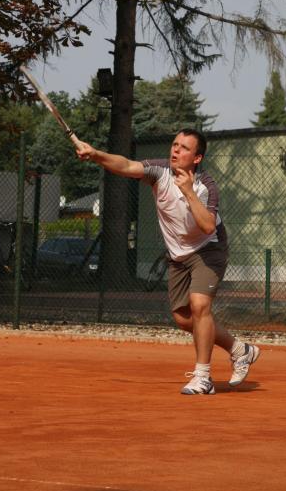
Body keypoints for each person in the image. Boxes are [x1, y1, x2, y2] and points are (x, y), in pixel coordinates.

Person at [76, 128, 260, 395]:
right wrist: (95, 155)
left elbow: (208, 226)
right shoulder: (159, 172)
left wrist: (188, 192)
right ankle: (240, 350)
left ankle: (203, 377)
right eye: (175, 144)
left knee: (200, 305)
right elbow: (126, 165)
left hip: (208, 250)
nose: (176, 150)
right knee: (183, 319)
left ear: (197, 158)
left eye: (184, 148)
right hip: (178, 255)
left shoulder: (206, 186)